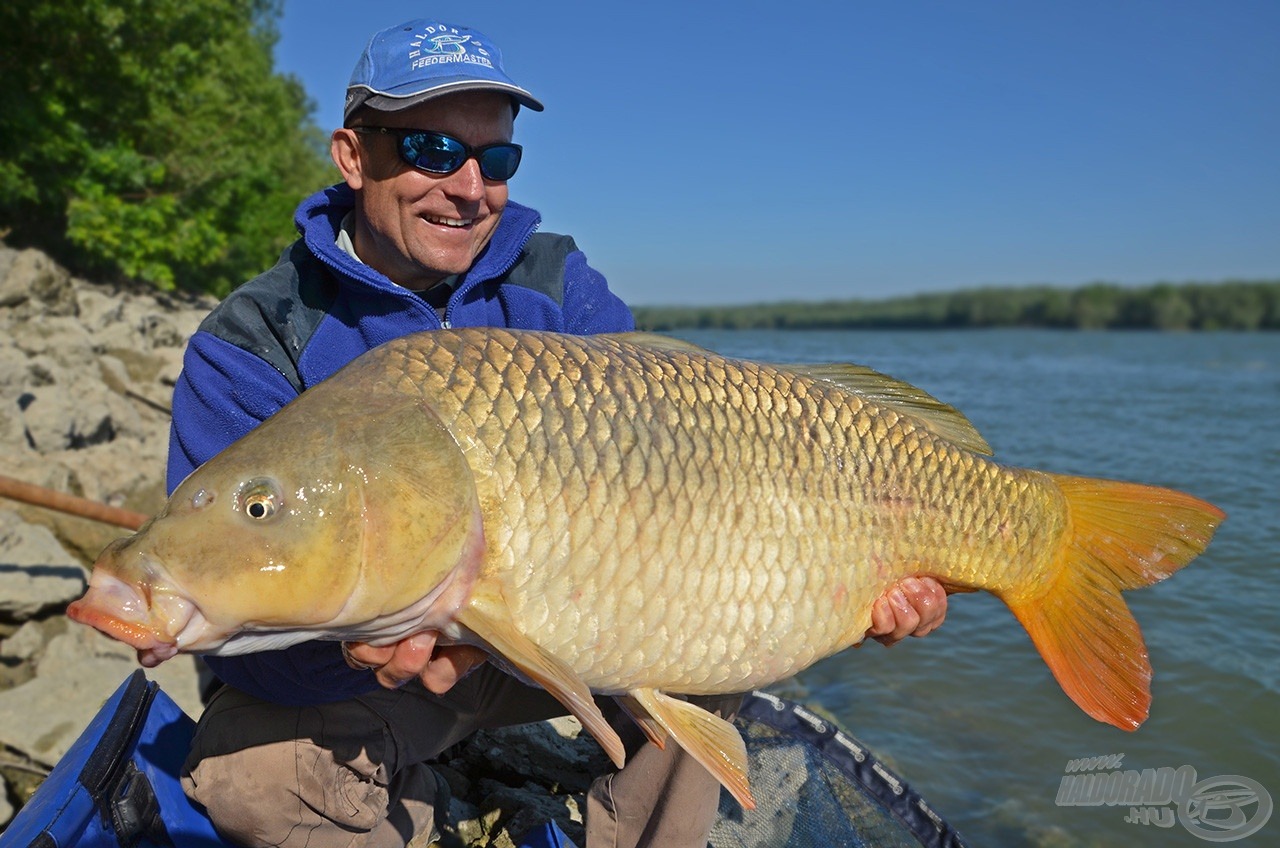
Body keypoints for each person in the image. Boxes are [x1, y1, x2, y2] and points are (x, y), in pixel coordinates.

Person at [166, 18, 950, 848]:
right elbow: (241, 628)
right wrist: (361, 646)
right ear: (353, 156)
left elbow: (689, 478)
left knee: (714, 640)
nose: (469, 185)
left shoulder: (558, 287)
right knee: (247, 778)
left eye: (495, 159)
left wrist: (861, 574)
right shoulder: (254, 341)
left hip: (556, 644)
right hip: (364, 676)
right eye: (431, 149)